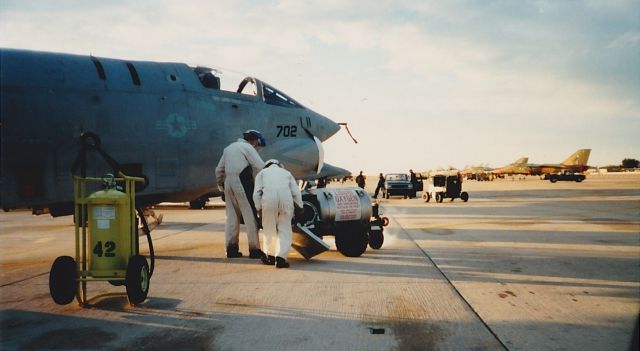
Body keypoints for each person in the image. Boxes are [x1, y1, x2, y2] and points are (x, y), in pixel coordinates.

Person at [215, 130, 266, 259]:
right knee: (250, 216)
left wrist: (221, 185)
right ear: (254, 141)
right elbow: (260, 166)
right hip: (242, 181)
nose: (257, 148)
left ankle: (231, 249)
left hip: (228, 183)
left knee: (232, 217)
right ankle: (254, 249)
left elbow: (219, 170)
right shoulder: (247, 147)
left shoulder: (228, 148)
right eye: (257, 145)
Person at [253, 159, 303, 268]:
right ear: (279, 165)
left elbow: (256, 194)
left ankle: (270, 257)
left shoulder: (261, 174)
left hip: (269, 201)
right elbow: (296, 191)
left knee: (269, 229)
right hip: (286, 201)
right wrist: (300, 206)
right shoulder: (286, 173)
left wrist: (259, 209)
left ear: (266, 166)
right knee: (285, 230)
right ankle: (280, 258)